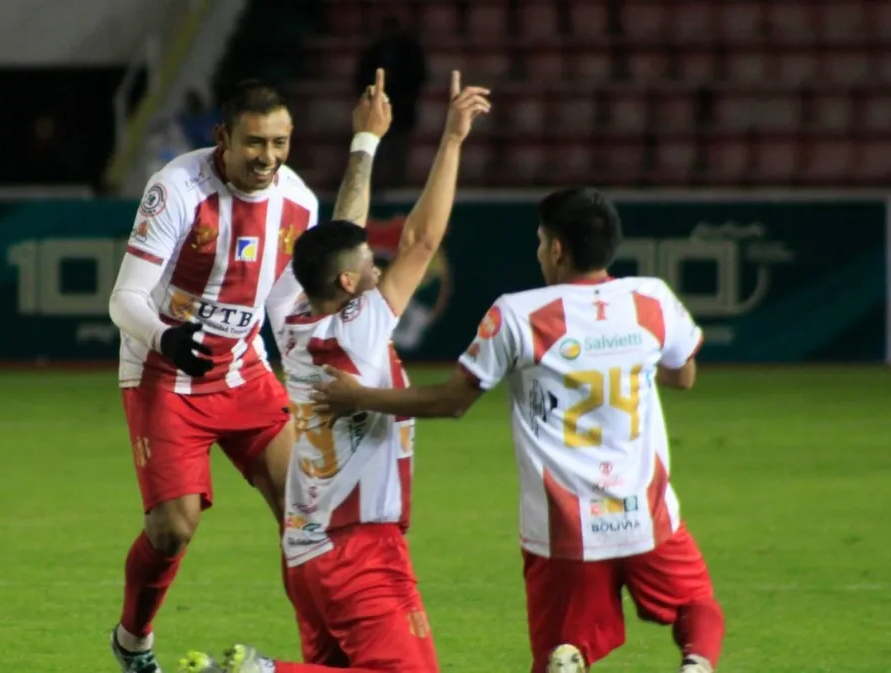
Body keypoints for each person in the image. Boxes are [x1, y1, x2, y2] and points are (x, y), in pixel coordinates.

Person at [311, 188, 726, 673]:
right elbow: (684, 375)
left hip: (562, 531)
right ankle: (696, 664)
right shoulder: (651, 299)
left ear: (555, 250)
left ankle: (568, 658)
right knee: (695, 603)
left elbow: (451, 401)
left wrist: (359, 397)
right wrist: (625, 354)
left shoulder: (517, 313)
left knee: (565, 646)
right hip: (645, 516)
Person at [174, 70, 490, 673]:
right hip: (362, 549)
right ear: (348, 285)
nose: (379, 269)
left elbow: (340, 232)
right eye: (371, 265)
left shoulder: (288, 312)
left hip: (305, 550)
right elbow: (423, 238)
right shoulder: (362, 327)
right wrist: (451, 139)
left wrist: (365, 144)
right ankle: (254, 672)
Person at [107, 72, 391, 673]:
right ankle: (132, 641)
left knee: (308, 516)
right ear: (224, 139)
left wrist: (364, 145)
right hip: (165, 373)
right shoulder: (178, 187)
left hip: (243, 372)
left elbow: (304, 289)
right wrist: (167, 336)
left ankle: (330, 657)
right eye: (255, 143)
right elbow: (123, 298)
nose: (267, 158)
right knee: (172, 531)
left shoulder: (298, 202)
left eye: (279, 144)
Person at [354, 15, 427, 189]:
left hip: (402, 110)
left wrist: (401, 90)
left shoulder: (409, 51)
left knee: (398, 149)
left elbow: (420, 77)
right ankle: (373, 186)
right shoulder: (375, 51)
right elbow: (360, 78)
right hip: (375, 110)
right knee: (374, 147)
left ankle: (397, 185)